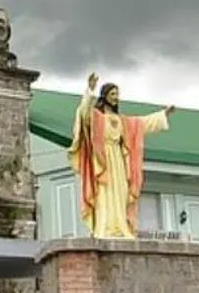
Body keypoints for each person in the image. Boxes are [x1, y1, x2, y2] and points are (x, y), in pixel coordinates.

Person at [69, 72, 178, 240]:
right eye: (112, 94)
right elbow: (84, 114)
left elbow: (142, 124)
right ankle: (104, 228)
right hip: (102, 161)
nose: (115, 97)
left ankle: (120, 227)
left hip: (118, 161)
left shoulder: (123, 121)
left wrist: (163, 114)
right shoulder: (97, 117)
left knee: (120, 193)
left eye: (117, 94)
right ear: (104, 96)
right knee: (104, 193)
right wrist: (90, 90)